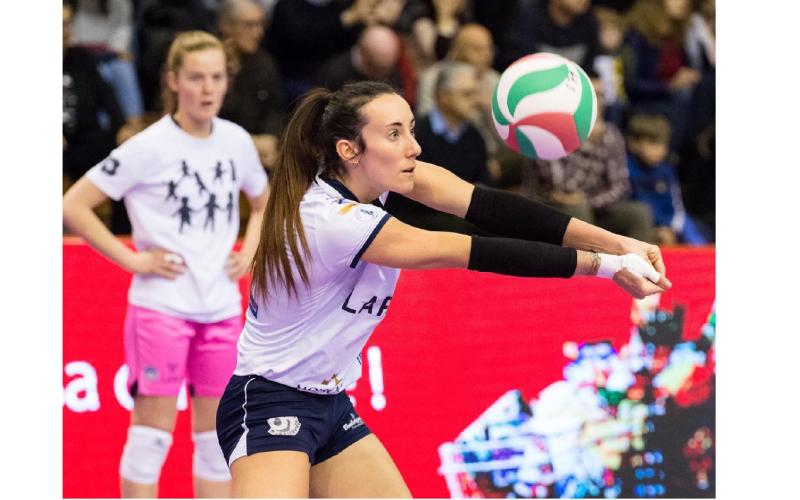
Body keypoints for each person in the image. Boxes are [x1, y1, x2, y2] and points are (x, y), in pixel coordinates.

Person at [215, 80, 671, 497]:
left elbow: (492, 208)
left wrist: (618, 242)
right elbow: (470, 250)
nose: (413, 147)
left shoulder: (385, 183)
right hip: (270, 399)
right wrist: (606, 266)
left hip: (330, 404)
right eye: (394, 134)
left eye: (411, 129)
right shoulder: (331, 220)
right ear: (350, 150)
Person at [63, 31, 270, 498]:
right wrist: (134, 260)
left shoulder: (236, 141)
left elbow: (263, 201)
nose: (207, 88)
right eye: (196, 77)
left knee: (216, 443)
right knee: (150, 439)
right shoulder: (148, 146)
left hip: (220, 308)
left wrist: (250, 251)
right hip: (161, 308)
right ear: (174, 80)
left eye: (216, 77)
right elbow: (73, 205)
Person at [520, 74, 654, 243]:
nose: (599, 102)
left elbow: (620, 186)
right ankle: (585, 259)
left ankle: (637, 260)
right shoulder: (549, 132)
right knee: (578, 209)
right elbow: (562, 185)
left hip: (594, 208)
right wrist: (585, 144)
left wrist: (591, 202)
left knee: (639, 212)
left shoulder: (610, 135)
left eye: (601, 95)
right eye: (593, 95)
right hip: (550, 209)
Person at [218, 0, 286, 174]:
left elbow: (275, 110)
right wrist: (249, 142)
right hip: (220, 153)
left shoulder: (265, 63)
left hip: (261, 155)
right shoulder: (211, 65)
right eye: (249, 25)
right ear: (226, 25)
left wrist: (271, 139)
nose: (258, 32)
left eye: (261, 25)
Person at [625, 113, 708, 245]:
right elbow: (633, 203)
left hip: (669, 224)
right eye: (653, 144)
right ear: (634, 144)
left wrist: (670, 227)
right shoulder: (628, 169)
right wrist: (659, 226)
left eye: (663, 145)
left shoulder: (667, 170)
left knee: (692, 225)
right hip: (647, 224)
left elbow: (676, 204)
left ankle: (701, 253)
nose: (660, 150)